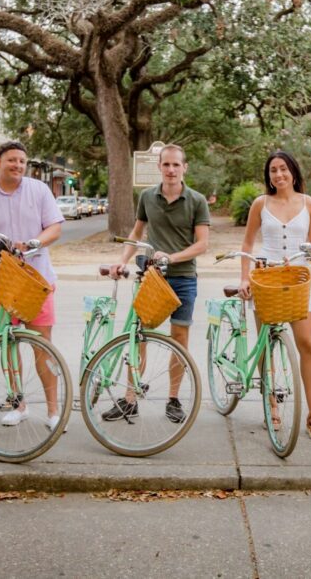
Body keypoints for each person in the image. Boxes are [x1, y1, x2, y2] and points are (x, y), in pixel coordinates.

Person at [0, 141, 65, 429]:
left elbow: (55, 227)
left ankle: (54, 411)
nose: (17, 165)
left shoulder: (39, 190)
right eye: (12, 160)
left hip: (36, 280)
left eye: (22, 161)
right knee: (8, 344)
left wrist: (35, 242)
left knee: (43, 345)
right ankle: (19, 405)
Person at [105, 144, 210, 423]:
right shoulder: (147, 197)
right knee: (138, 336)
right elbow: (137, 233)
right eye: (166, 164)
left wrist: (171, 258)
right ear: (159, 167)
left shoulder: (197, 200)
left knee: (179, 338)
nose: (171, 170)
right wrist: (122, 260)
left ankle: (173, 399)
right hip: (152, 277)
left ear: (184, 167)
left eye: (176, 165)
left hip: (183, 277)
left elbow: (202, 244)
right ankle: (130, 399)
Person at [238, 151, 311, 440]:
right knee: (266, 344)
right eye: (273, 170)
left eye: (283, 169)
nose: (279, 175)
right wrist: (244, 278)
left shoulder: (309, 204)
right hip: (265, 277)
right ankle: (271, 404)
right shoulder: (260, 204)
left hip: (299, 279)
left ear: (293, 172)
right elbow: (247, 244)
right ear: (269, 176)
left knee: (308, 343)